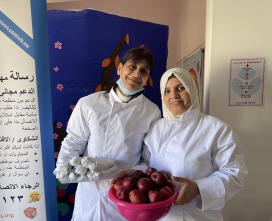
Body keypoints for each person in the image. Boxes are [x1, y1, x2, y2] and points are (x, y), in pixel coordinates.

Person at [55, 47, 162, 221]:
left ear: (147, 79)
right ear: (119, 68)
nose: (136, 74)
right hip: (90, 193)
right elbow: (74, 141)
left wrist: (127, 174)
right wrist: (63, 169)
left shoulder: (151, 112)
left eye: (143, 71)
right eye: (132, 67)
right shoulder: (89, 104)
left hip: (126, 195)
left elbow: (149, 159)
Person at [142, 67, 248, 220]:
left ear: (192, 90)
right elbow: (146, 165)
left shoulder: (216, 129)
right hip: (159, 216)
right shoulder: (156, 128)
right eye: (167, 91)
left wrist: (199, 188)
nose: (174, 96)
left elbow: (235, 172)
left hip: (197, 216)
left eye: (180, 88)